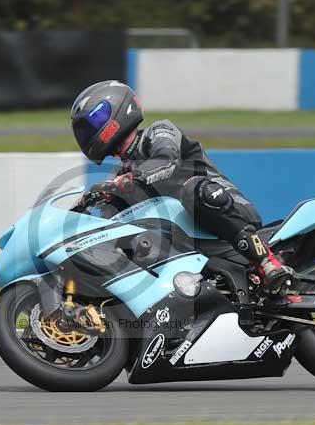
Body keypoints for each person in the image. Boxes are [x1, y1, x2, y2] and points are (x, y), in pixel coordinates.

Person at [70, 80, 294, 293]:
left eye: (95, 121)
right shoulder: (119, 177)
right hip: (190, 239)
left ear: (118, 110)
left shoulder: (158, 132)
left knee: (192, 191)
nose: (89, 132)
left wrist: (122, 183)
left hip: (226, 210)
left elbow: (166, 160)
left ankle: (267, 261)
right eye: (85, 129)